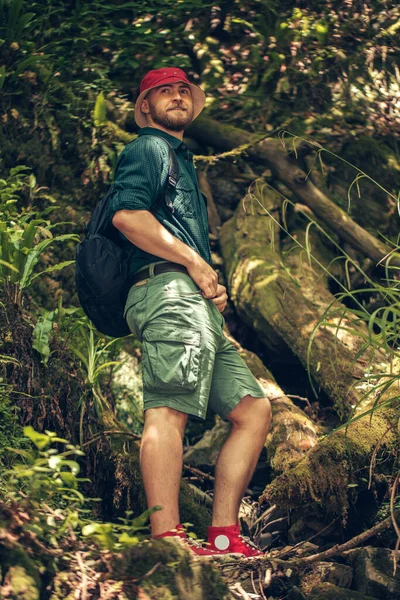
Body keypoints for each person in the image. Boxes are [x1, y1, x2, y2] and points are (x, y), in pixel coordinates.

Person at [110, 67, 272, 557]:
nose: (178, 96)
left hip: (189, 299)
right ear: (145, 107)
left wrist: (208, 288)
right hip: (166, 292)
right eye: (165, 90)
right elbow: (128, 216)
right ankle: (167, 544)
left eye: (184, 90)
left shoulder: (181, 158)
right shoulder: (150, 149)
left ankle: (223, 533)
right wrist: (196, 265)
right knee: (169, 408)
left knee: (254, 410)